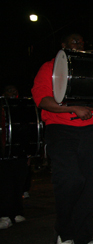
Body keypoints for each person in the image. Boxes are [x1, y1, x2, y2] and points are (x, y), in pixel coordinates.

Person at [31, 33, 93, 244]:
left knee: (89, 187)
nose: (79, 44)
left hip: (87, 131)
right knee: (70, 179)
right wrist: (73, 108)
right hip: (60, 130)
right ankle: (64, 231)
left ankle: (83, 237)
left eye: (81, 41)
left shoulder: (88, 67)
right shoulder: (49, 67)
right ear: (63, 46)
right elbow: (43, 100)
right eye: (74, 41)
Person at [0, 85, 28, 230]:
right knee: (5, 184)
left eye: (14, 91)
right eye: (9, 91)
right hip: (4, 152)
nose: (12, 94)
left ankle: (16, 211)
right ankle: (4, 214)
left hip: (18, 151)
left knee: (18, 182)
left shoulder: (20, 108)